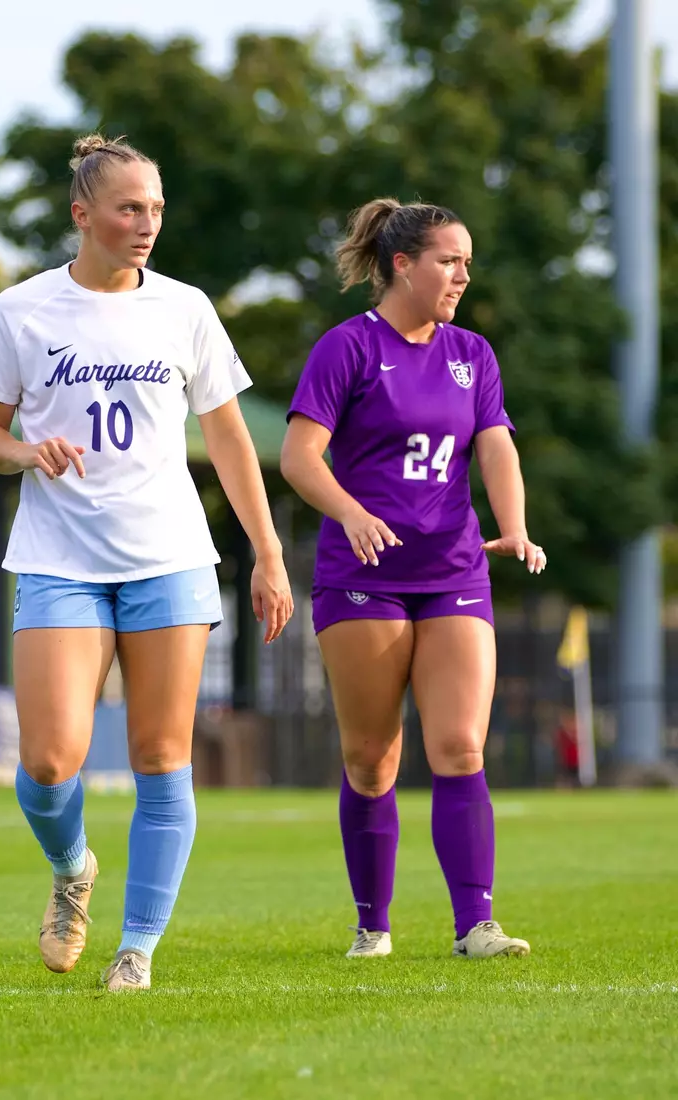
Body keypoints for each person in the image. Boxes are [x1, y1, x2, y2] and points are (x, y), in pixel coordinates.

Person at [0, 133, 293, 992]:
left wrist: (266, 551)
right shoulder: (21, 311)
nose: (146, 223)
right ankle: (73, 867)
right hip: (57, 558)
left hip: (170, 558)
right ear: (83, 214)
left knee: (160, 752)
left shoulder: (185, 308)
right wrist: (27, 452)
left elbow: (227, 439)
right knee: (49, 759)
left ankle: (136, 949)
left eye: (154, 208)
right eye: (128, 208)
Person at [280, 198, 545, 961]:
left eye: (466, 261)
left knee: (461, 746)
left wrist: (515, 523)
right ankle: (373, 925)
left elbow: (495, 447)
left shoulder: (474, 353)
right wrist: (351, 513)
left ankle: (477, 927)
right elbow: (300, 458)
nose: (463, 274)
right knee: (373, 758)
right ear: (402, 264)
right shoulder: (348, 348)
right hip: (363, 577)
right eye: (448, 260)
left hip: (454, 568)